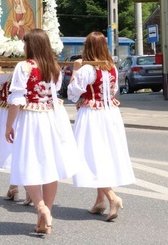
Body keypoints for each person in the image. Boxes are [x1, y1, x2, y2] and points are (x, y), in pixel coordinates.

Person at [5, 29, 78, 235]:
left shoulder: (24, 66)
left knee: (28, 163)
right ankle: (45, 219)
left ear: (31, 45)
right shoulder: (54, 66)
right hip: (52, 117)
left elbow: (17, 99)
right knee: (49, 166)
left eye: (25, 43)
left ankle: (40, 207)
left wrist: (9, 125)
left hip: (31, 118)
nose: (24, 46)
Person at [67, 32, 134, 220]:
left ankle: (112, 197)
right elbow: (114, 91)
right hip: (110, 114)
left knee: (89, 156)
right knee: (103, 155)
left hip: (92, 115)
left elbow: (72, 93)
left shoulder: (87, 69)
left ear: (88, 48)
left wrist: (75, 70)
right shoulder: (111, 67)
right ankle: (99, 201)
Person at [0, 71, 26, 204]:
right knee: (23, 148)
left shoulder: (5, 74)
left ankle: (14, 187)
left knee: (10, 149)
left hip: (7, 111)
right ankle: (21, 188)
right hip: (27, 111)